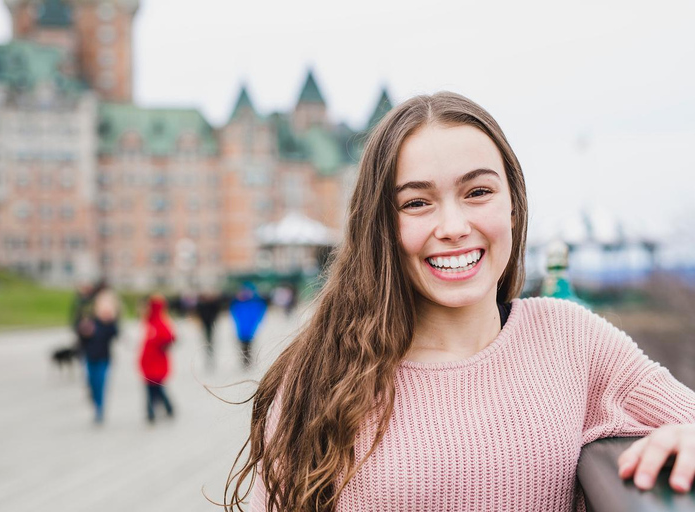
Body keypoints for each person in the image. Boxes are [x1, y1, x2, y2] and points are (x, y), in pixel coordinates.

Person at [225, 92, 695, 511]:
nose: (452, 226)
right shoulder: (318, 376)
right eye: (416, 202)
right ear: (382, 225)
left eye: (478, 193)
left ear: (512, 204)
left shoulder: (573, 338)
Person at [82, 288, 120, 424]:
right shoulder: (90, 319)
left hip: (104, 357)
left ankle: (99, 409)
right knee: (91, 382)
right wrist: (84, 331)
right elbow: (80, 335)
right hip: (89, 356)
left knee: (101, 383)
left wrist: (110, 321)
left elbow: (116, 335)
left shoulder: (111, 322)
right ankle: (94, 398)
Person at [139, 295, 176, 423]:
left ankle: (152, 412)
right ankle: (165, 408)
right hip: (149, 363)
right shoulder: (150, 322)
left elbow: (170, 338)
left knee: (154, 388)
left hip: (156, 363)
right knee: (154, 388)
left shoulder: (159, 322)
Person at [228, 283, 267, 369]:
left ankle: (248, 361)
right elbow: (234, 314)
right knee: (243, 346)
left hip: (250, 329)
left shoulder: (255, 303)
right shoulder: (237, 303)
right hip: (241, 329)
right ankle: (245, 361)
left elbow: (260, 313)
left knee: (249, 345)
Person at [195, 292, 222, 370]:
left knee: (211, 342)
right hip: (205, 326)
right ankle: (208, 358)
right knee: (207, 342)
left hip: (211, 326)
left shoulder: (213, 305)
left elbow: (216, 311)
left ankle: (211, 357)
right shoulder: (201, 305)